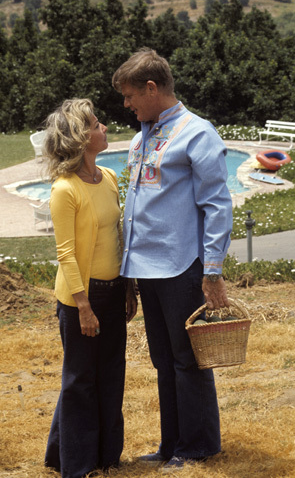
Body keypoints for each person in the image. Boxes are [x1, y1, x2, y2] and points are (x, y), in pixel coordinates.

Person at [112, 48, 233, 472]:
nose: (126, 105)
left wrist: (213, 271)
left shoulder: (197, 133)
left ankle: (198, 445)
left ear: (151, 88)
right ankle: (171, 443)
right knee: (164, 359)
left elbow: (217, 206)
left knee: (188, 359)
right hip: (146, 268)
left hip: (183, 266)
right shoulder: (141, 135)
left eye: (130, 96)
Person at [43, 98, 137, 478]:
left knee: (112, 373)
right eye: (97, 124)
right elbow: (65, 253)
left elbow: (118, 237)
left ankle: (106, 459)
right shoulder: (64, 190)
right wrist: (83, 305)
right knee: (80, 380)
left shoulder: (110, 178)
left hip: (114, 291)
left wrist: (129, 287)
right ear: (81, 137)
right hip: (80, 298)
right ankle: (77, 466)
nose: (104, 128)